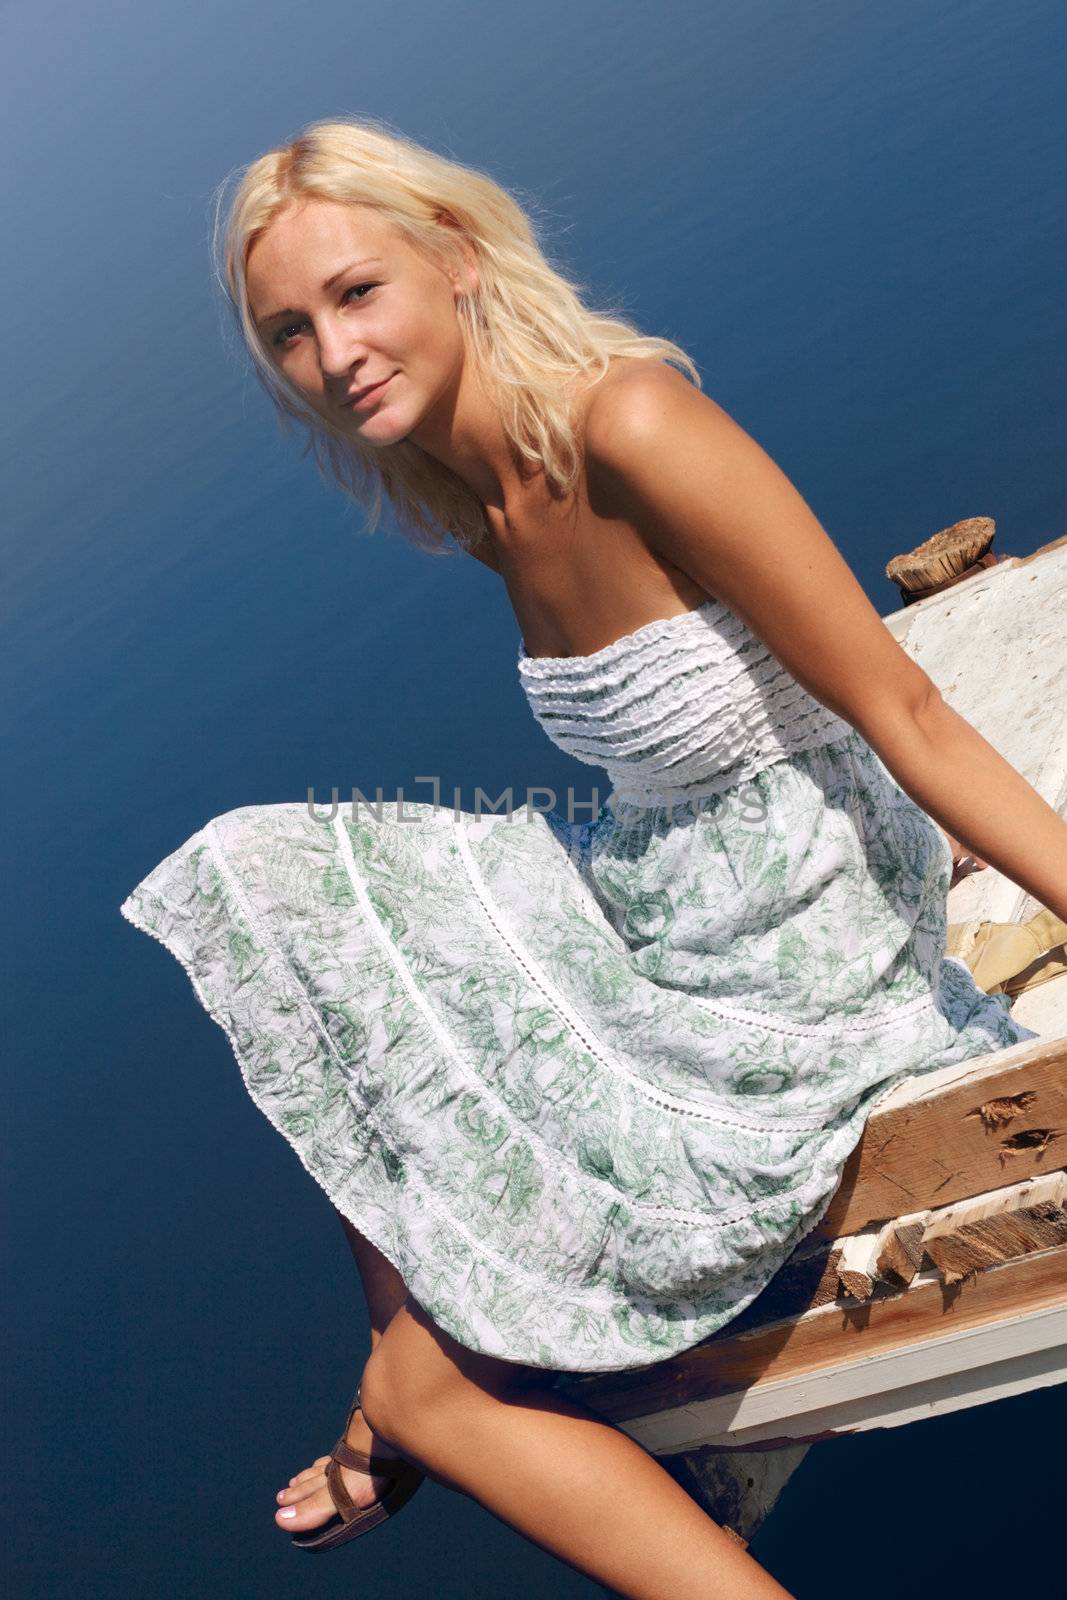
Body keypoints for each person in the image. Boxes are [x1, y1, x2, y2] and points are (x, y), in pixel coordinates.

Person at [119, 116, 1066, 1600]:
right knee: (305, 909)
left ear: (458, 261)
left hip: (789, 920)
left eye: (357, 293)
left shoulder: (626, 423)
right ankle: (411, 1363)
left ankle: (409, 1386)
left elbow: (906, 706)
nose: (334, 352)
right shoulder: (477, 498)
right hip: (669, 876)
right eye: (290, 333)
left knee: (280, 877)